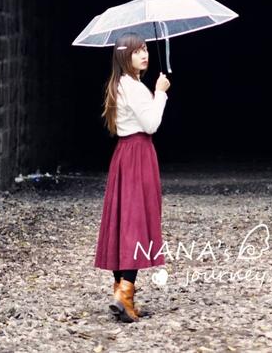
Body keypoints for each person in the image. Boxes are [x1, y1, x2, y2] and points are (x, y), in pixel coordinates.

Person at [93, 31, 171, 323]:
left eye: (146, 49)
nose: (145, 55)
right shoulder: (135, 88)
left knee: (123, 220)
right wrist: (160, 92)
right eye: (138, 51)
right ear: (125, 56)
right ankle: (124, 294)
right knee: (136, 223)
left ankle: (122, 295)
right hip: (138, 153)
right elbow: (151, 124)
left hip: (124, 155)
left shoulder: (120, 85)